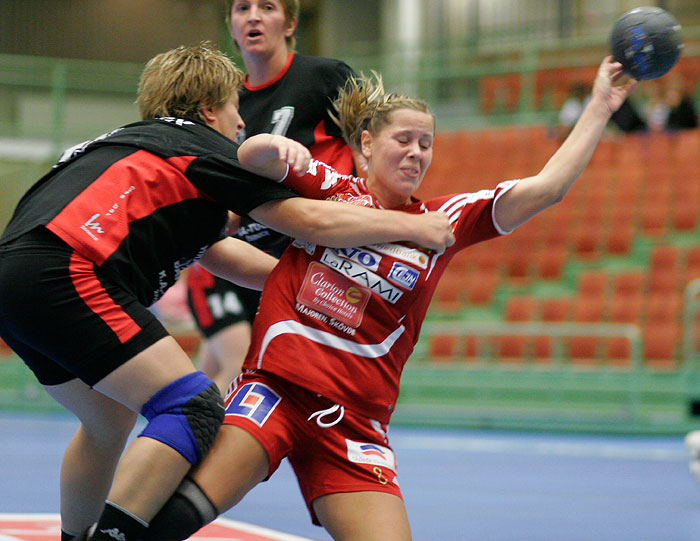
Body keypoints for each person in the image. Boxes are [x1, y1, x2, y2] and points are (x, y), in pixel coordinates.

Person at [142, 56, 637, 541]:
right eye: (403, 140)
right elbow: (250, 157)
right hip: (277, 390)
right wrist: (277, 147)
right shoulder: (331, 189)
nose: (416, 153)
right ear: (366, 144)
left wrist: (600, 104)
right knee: (181, 516)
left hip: (355, 424)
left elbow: (548, 188)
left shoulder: (445, 221)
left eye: (426, 144)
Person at [0, 42, 455, 541]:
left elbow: (218, 253)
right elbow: (310, 219)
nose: (242, 124)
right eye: (237, 108)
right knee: (192, 405)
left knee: (108, 421)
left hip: (16, 278)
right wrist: (410, 228)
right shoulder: (204, 148)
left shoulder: (129, 144)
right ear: (209, 109)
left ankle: (74, 535)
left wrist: (305, 279)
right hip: (66, 271)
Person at [186, 0, 361, 392]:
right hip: (232, 261)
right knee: (231, 368)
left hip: (293, 257)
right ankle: (186, 440)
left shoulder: (325, 77)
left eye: (267, 7)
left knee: (228, 374)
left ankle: (188, 440)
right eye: (241, 8)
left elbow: (370, 145)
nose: (253, 16)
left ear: (290, 23)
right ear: (230, 27)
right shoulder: (225, 102)